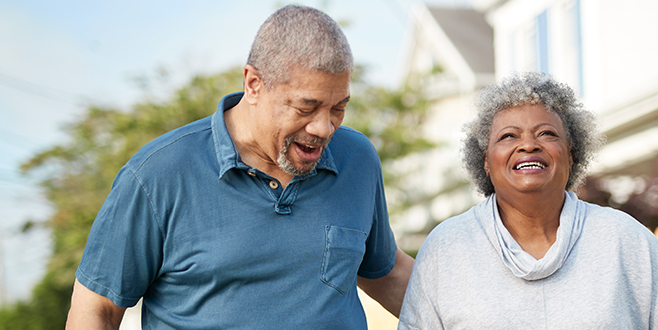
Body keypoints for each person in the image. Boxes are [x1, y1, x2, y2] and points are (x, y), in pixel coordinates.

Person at [65, 5, 414, 329]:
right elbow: (96, 309)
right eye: (306, 108)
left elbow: (386, 273)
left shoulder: (358, 159)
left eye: (339, 107)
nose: (324, 128)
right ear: (253, 85)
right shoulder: (158, 174)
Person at [397, 72, 658, 329]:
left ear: (571, 156)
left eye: (546, 133)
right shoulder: (447, 249)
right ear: (485, 161)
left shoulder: (624, 239)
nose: (528, 144)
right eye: (508, 136)